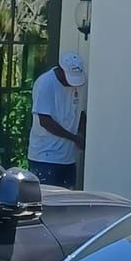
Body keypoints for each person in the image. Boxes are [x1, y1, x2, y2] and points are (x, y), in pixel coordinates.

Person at [26, 51, 87, 186]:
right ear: (60, 70)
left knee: (66, 197)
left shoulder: (78, 84)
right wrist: (74, 138)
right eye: (69, 79)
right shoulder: (45, 83)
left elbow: (81, 113)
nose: (71, 84)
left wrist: (81, 133)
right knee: (47, 197)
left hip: (68, 158)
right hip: (45, 158)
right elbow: (45, 121)